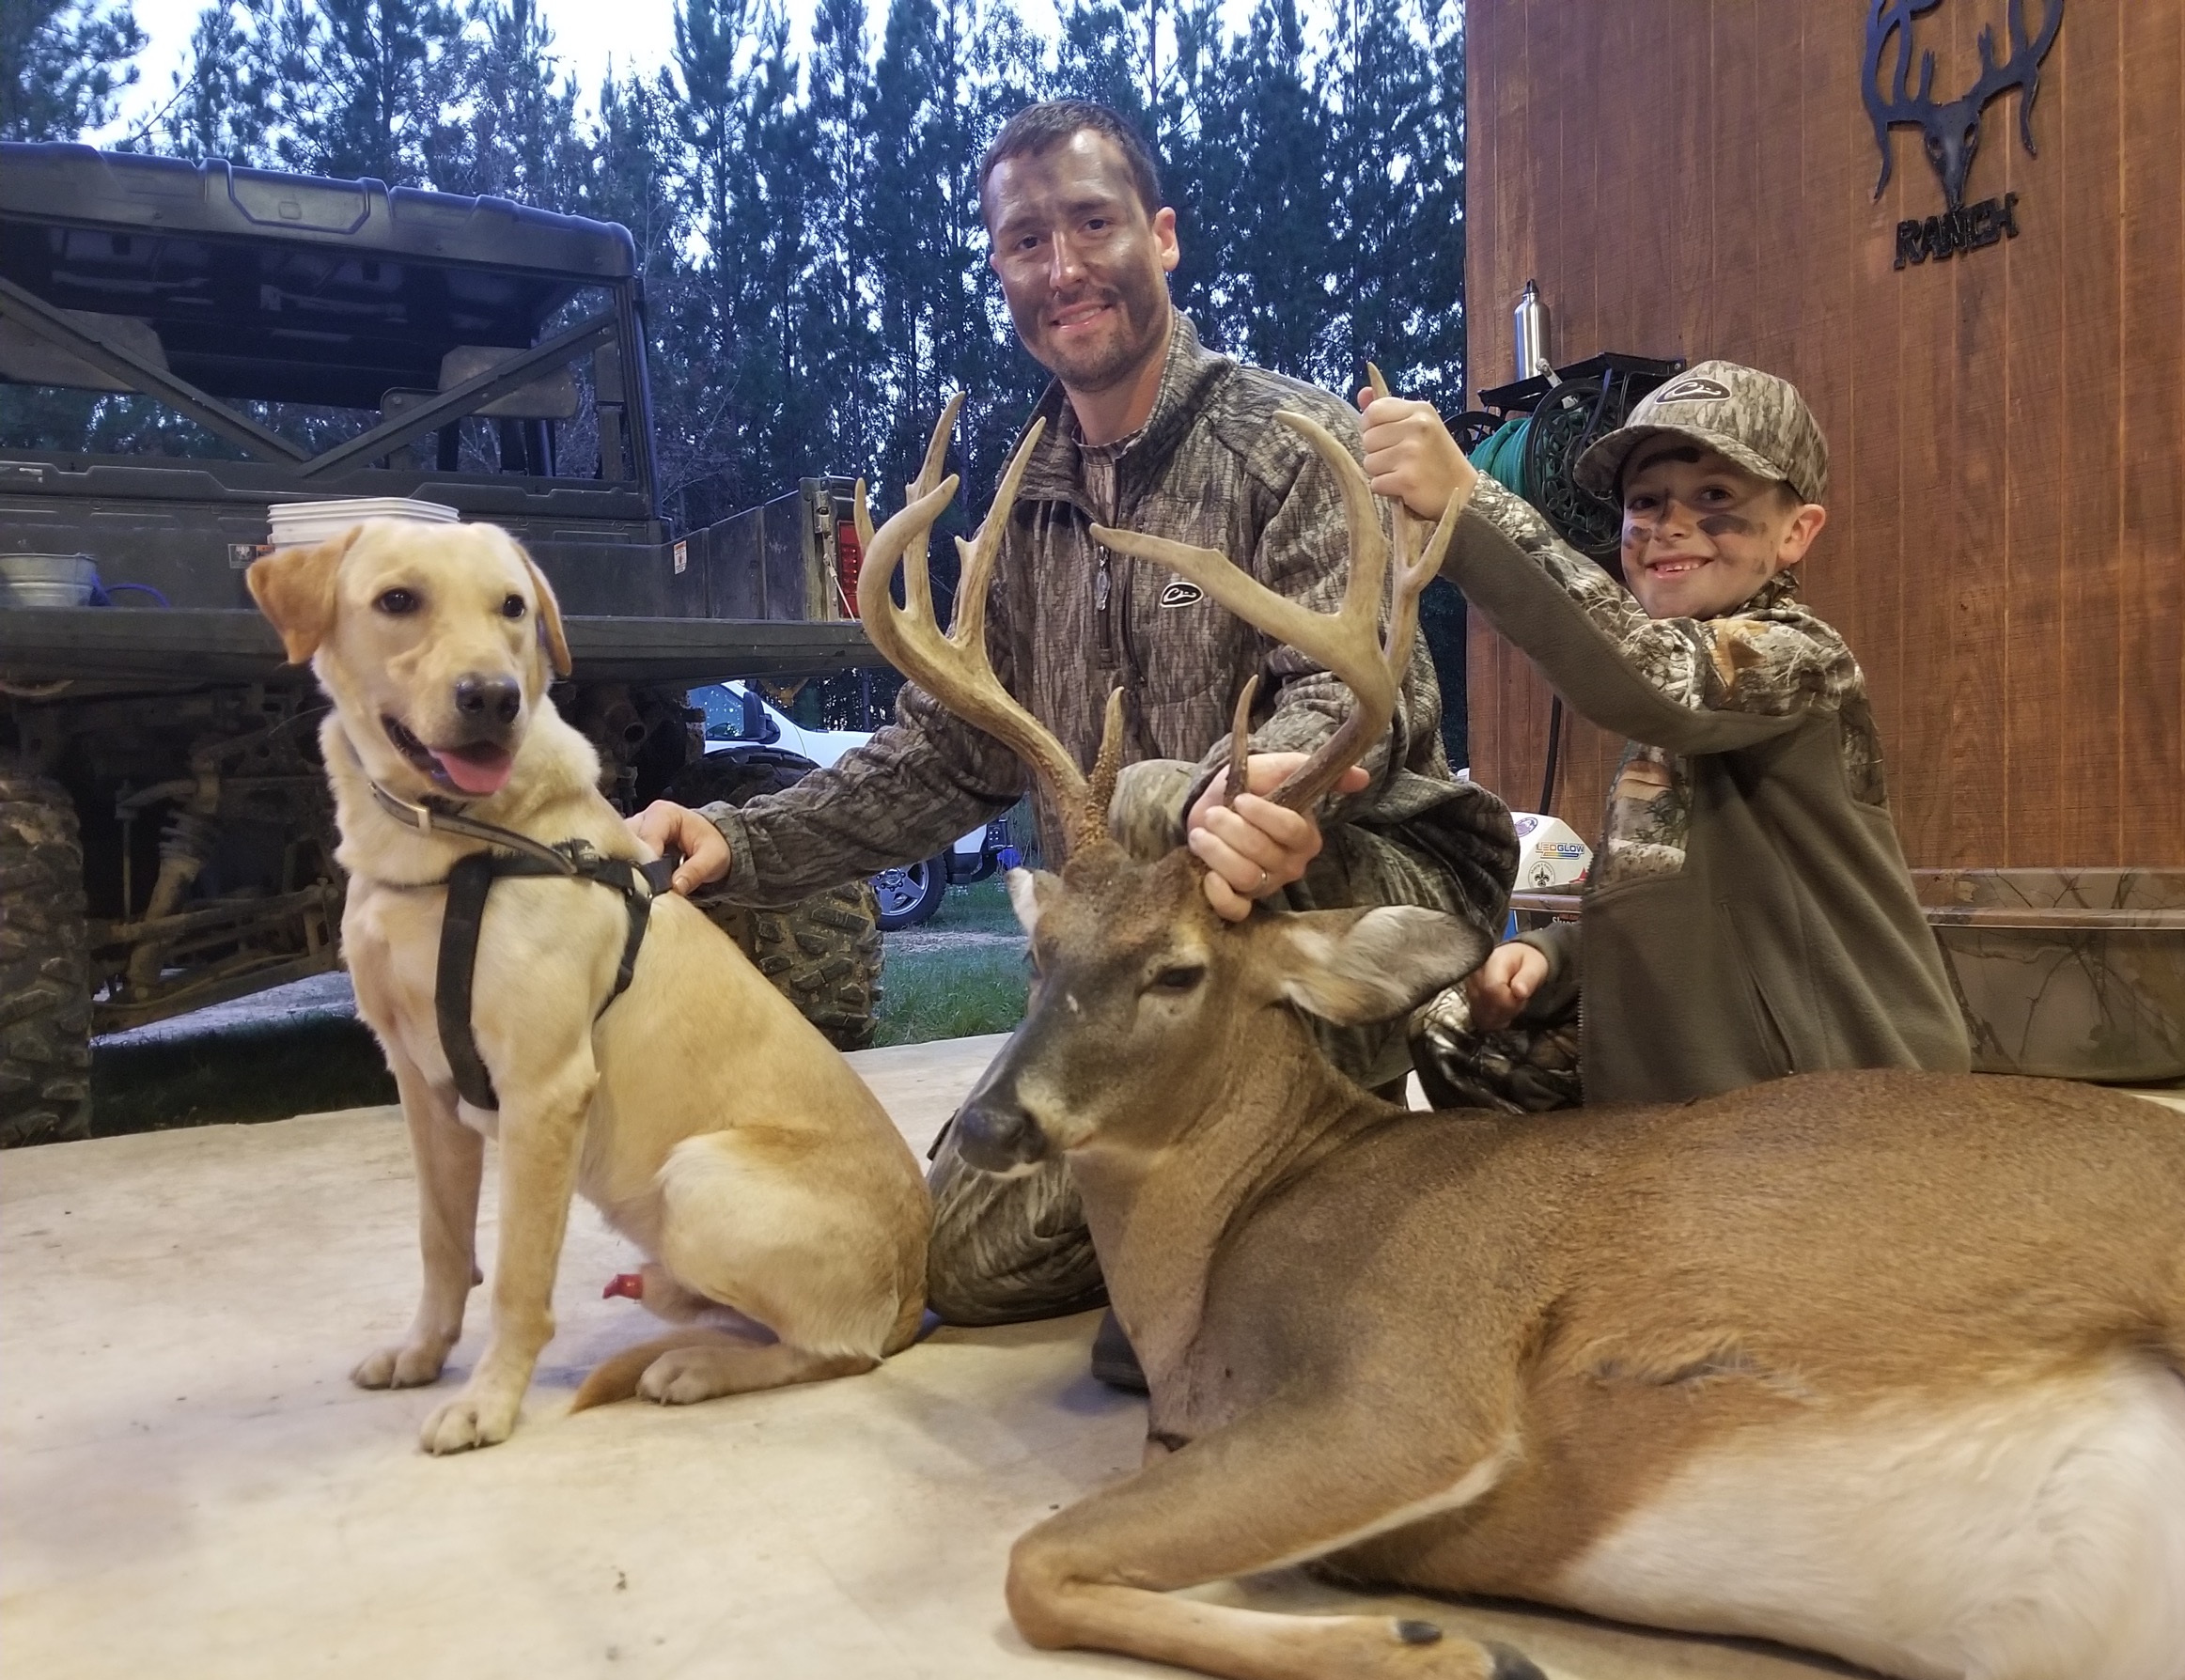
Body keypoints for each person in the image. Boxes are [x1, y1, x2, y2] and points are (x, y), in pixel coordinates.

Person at [628, 99, 1516, 1367]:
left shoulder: (1287, 443)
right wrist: (737, 840)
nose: (1062, 267)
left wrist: (1262, 786)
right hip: (1131, 966)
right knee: (960, 1264)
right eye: (1025, 240)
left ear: (1162, 237)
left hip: (1334, 883)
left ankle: (1314, 1210)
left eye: (1092, 225)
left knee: (1186, 832)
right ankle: (1182, 1211)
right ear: (1001, 267)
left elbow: (1352, 692)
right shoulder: (1029, 504)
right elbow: (942, 754)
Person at [1359, 359, 1969, 1108]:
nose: (1669, 525)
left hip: (1848, 1101)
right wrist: (1555, 957)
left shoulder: (1802, 660)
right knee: (1453, 1034)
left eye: (1715, 497)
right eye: (1644, 501)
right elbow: (1681, 916)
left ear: (1797, 532)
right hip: (1697, 1112)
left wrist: (1469, 504)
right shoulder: (1669, 718)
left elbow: (1648, 672)